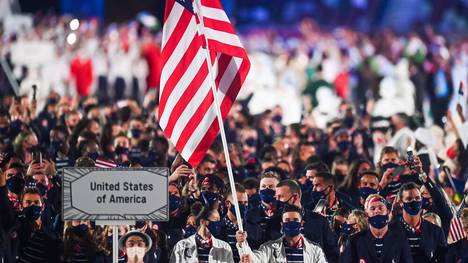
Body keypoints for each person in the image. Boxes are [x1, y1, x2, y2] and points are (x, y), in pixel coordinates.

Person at [236, 204, 327, 263]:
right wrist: (242, 243)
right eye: (287, 220)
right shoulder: (269, 248)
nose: (291, 223)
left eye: (295, 220)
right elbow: (254, 260)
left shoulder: (315, 251)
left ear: (302, 223)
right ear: (282, 224)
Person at [275, 179, 339, 261]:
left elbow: (333, 251)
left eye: (280, 196)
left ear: (295, 197)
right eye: (276, 197)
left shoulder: (319, 221)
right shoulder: (274, 222)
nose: (277, 200)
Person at [341, 194, 413, 263]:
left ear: (388, 212)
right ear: (366, 214)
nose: (377, 211)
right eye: (372, 208)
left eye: (380, 208)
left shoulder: (400, 239)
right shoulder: (354, 241)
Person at [395, 182, 446, 262]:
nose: (414, 201)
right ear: (401, 202)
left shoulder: (435, 231)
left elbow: (442, 259)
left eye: (417, 198)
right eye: (409, 199)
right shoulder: (391, 230)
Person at [170, 207, 234, 263]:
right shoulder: (181, 246)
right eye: (215, 221)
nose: (218, 224)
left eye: (219, 221)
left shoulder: (225, 247)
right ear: (203, 222)